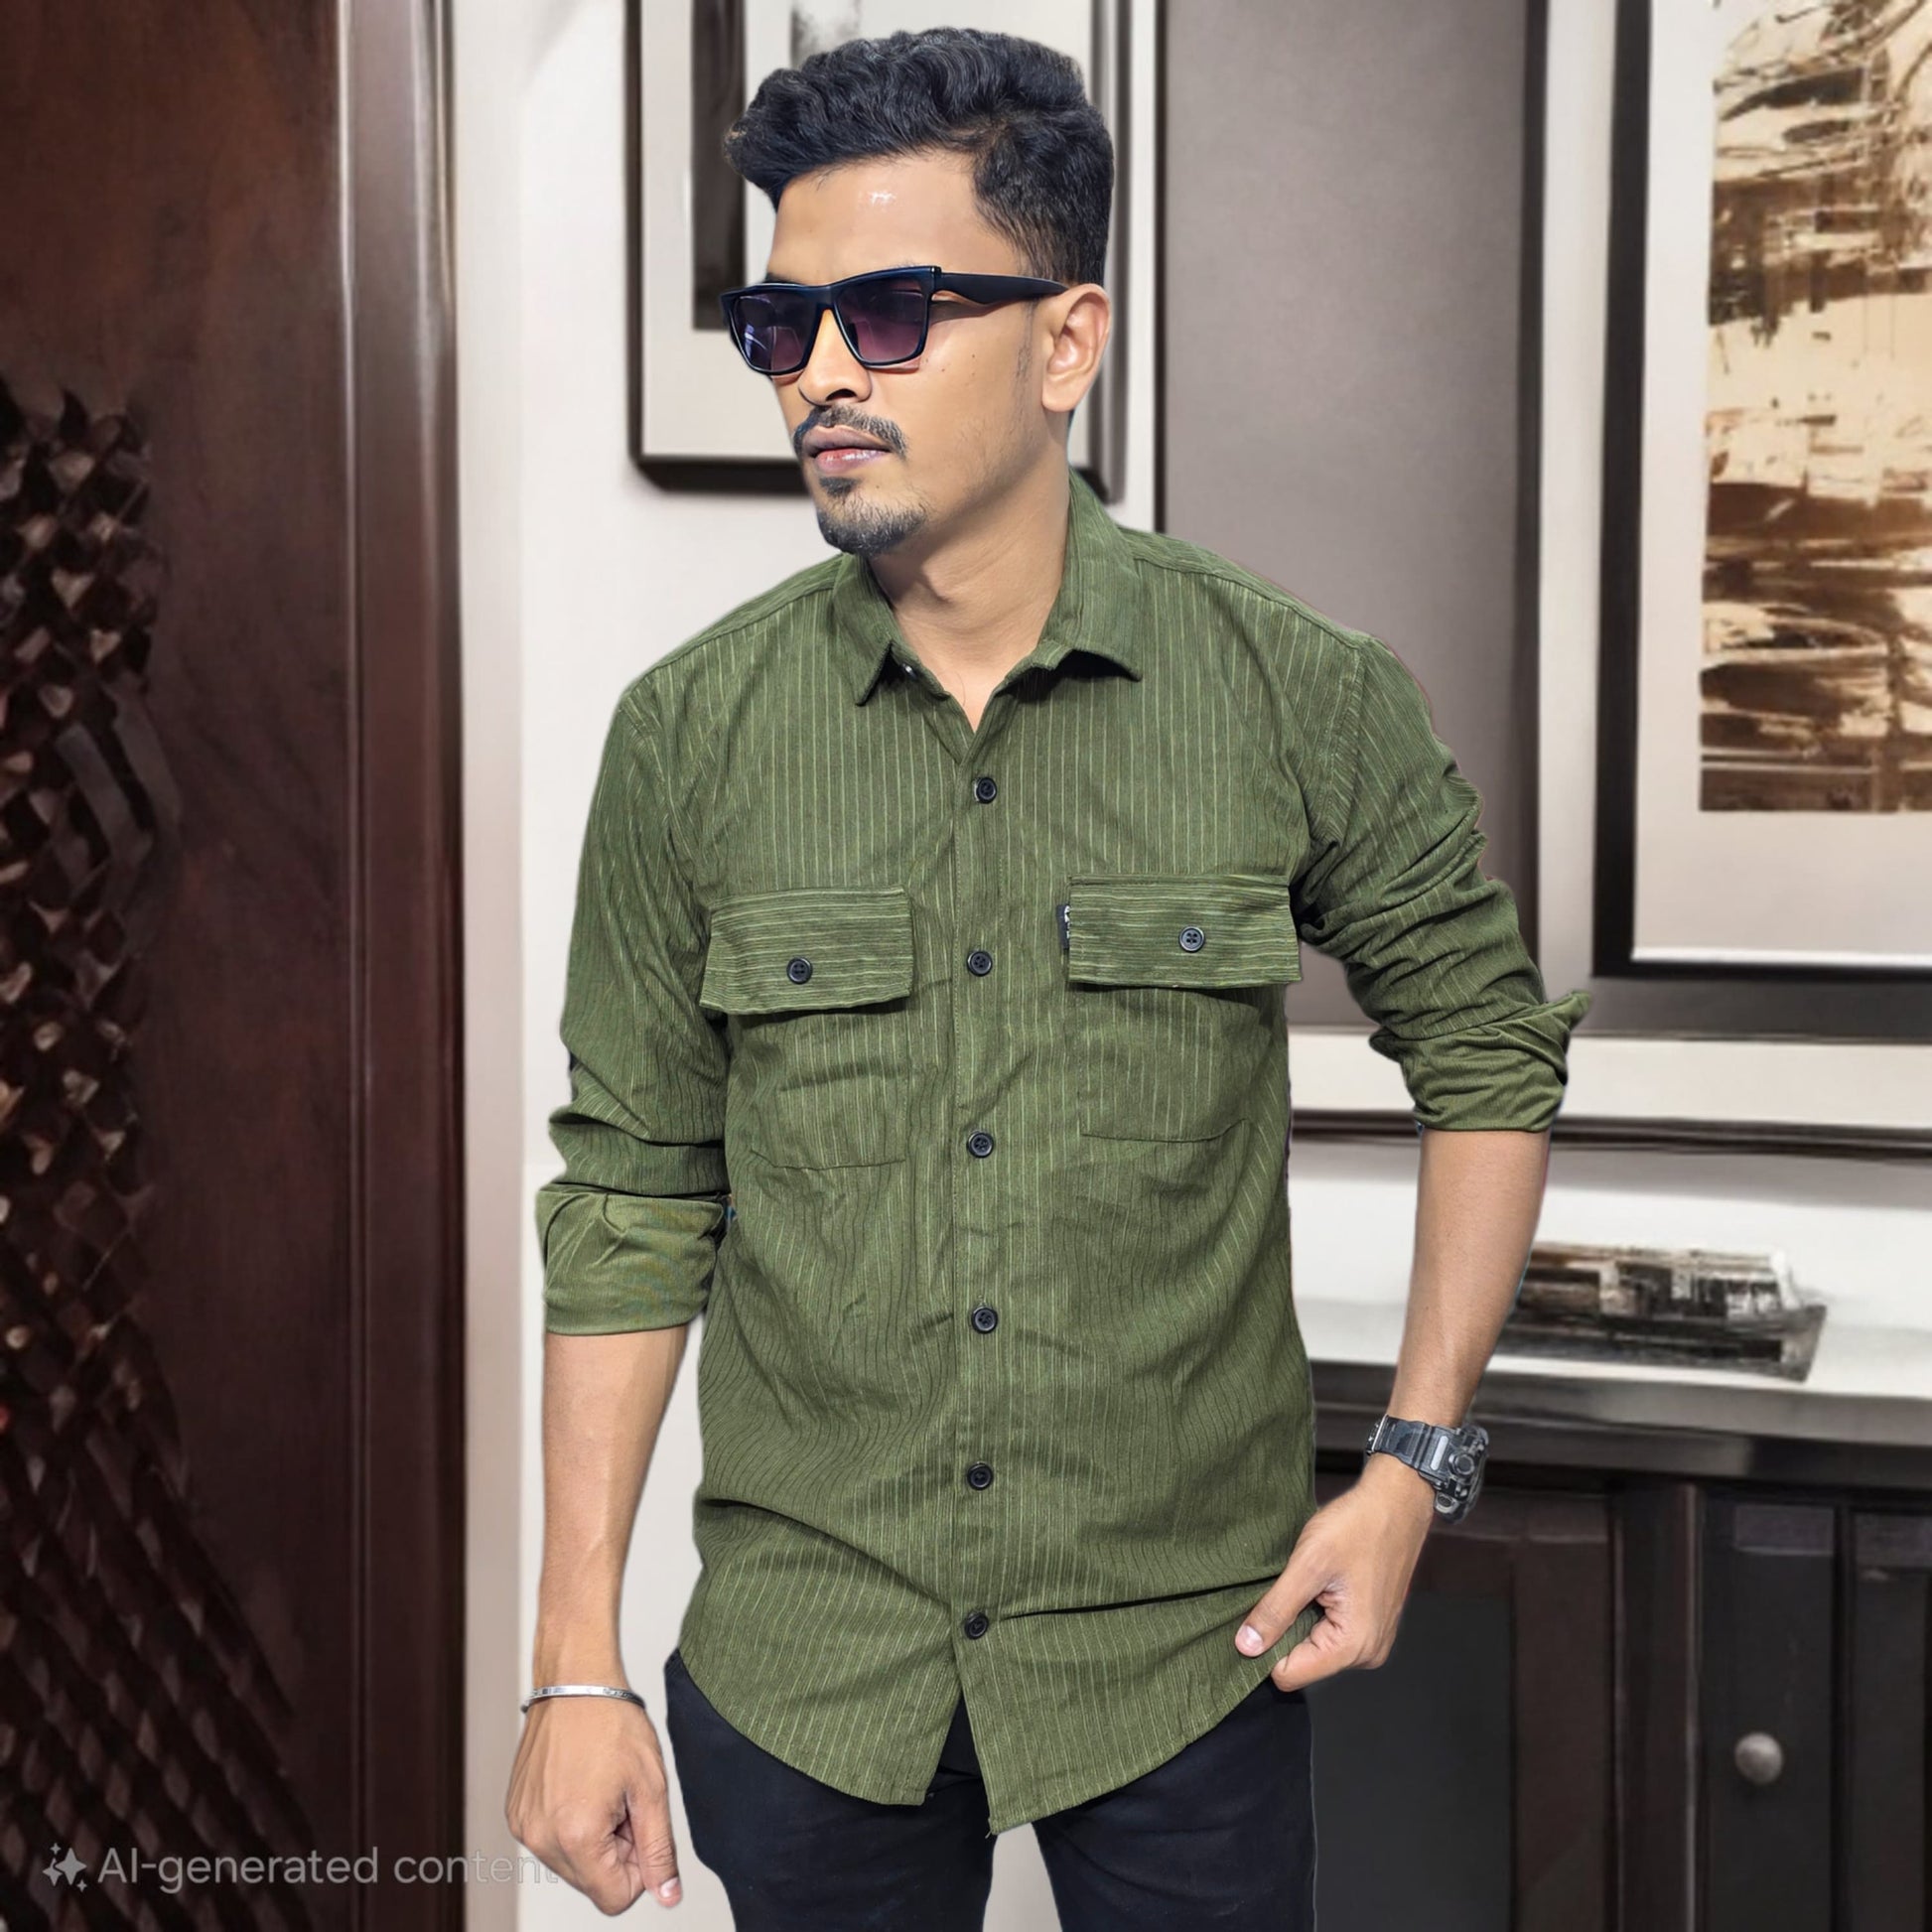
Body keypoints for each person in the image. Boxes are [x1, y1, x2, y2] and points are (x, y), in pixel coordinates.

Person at [504, 24, 1590, 1929]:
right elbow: (630, 1194)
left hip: (1187, 1652)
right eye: (783, 326)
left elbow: (1485, 1046)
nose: (823, 374)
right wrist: (571, 1664)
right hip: (811, 1661)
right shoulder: (689, 737)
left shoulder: (1289, 691)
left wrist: (1414, 1464)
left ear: (1068, 340)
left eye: (889, 314)